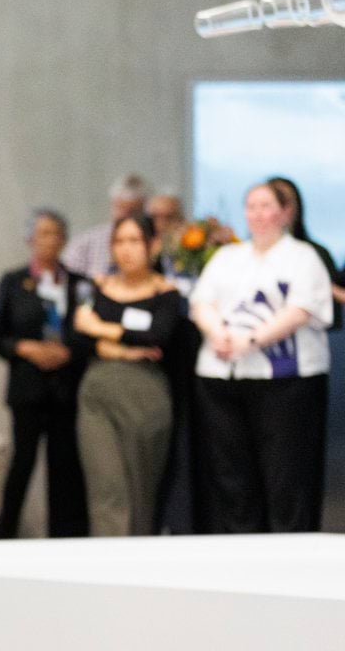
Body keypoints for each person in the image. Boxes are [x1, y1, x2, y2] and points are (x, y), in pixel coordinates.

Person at [189, 182, 333, 533]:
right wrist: (218, 334)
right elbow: (201, 302)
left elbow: (300, 308)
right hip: (223, 377)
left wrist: (251, 340)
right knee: (231, 474)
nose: (257, 214)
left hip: (286, 381)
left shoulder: (303, 256)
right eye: (251, 206)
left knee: (286, 473)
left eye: (266, 206)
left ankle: (289, 547)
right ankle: (239, 544)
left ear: (285, 212)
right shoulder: (227, 256)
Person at [72, 215, 183, 536]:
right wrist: (121, 349)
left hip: (146, 393)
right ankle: (108, 558)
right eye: (119, 241)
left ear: (152, 245)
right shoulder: (96, 288)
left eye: (134, 241)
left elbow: (158, 335)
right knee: (107, 485)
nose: (126, 249)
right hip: (99, 391)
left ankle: (138, 558)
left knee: (141, 491)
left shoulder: (166, 294)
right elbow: (77, 333)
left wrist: (103, 330)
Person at [0, 209, 90, 538]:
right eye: (42, 233)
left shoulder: (79, 284)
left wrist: (68, 351)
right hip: (28, 388)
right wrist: (26, 349)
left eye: (55, 233)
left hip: (66, 389)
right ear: (30, 238)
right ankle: (6, 534)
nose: (49, 240)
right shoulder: (14, 281)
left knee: (65, 467)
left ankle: (65, 537)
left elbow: (89, 335)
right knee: (22, 463)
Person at [269, 176, 344, 332]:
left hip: (307, 336)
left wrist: (320, 284)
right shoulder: (241, 255)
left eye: (284, 202)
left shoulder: (316, 254)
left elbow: (333, 315)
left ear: (295, 207)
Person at [62, 173, 149, 278]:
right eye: (122, 208)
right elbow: (67, 276)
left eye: (133, 211)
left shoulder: (151, 242)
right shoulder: (85, 243)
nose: (125, 216)